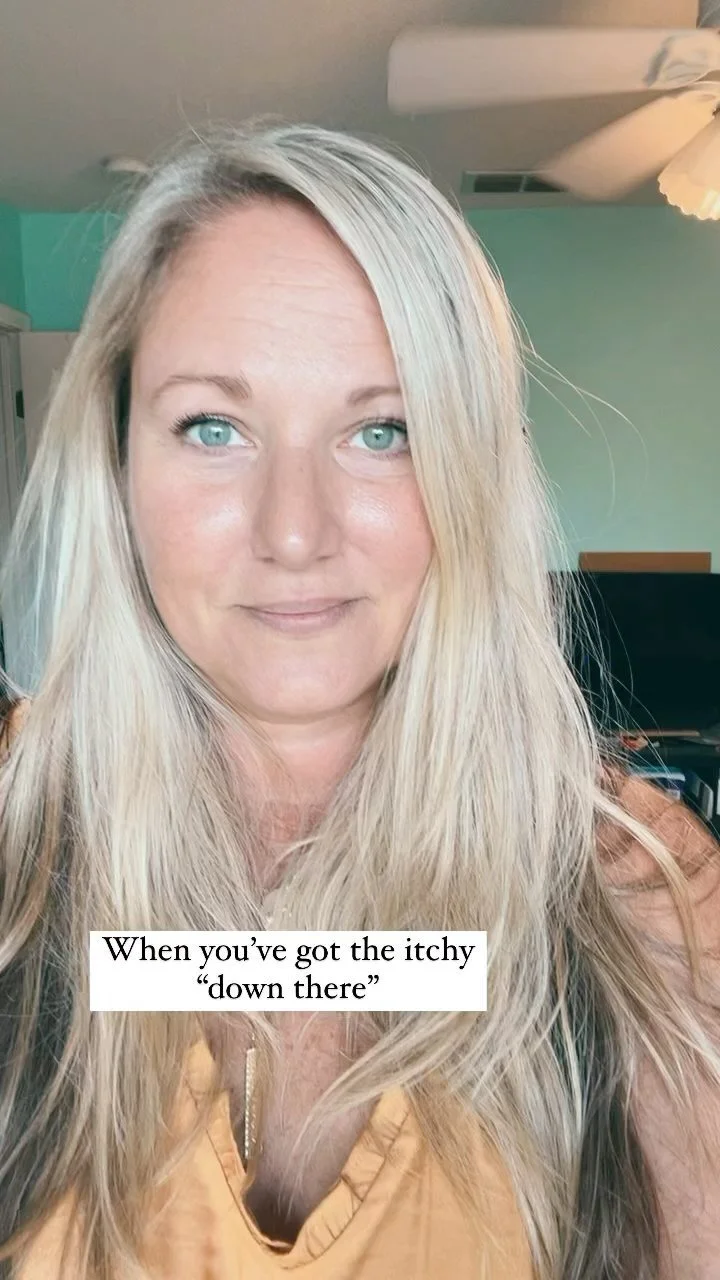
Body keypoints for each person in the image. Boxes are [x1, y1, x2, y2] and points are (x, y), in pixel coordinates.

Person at [0, 120, 718, 1280]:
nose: (294, 532)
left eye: (384, 430)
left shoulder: (642, 898)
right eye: (213, 426)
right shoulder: (18, 854)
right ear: (116, 458)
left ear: (474, 470)